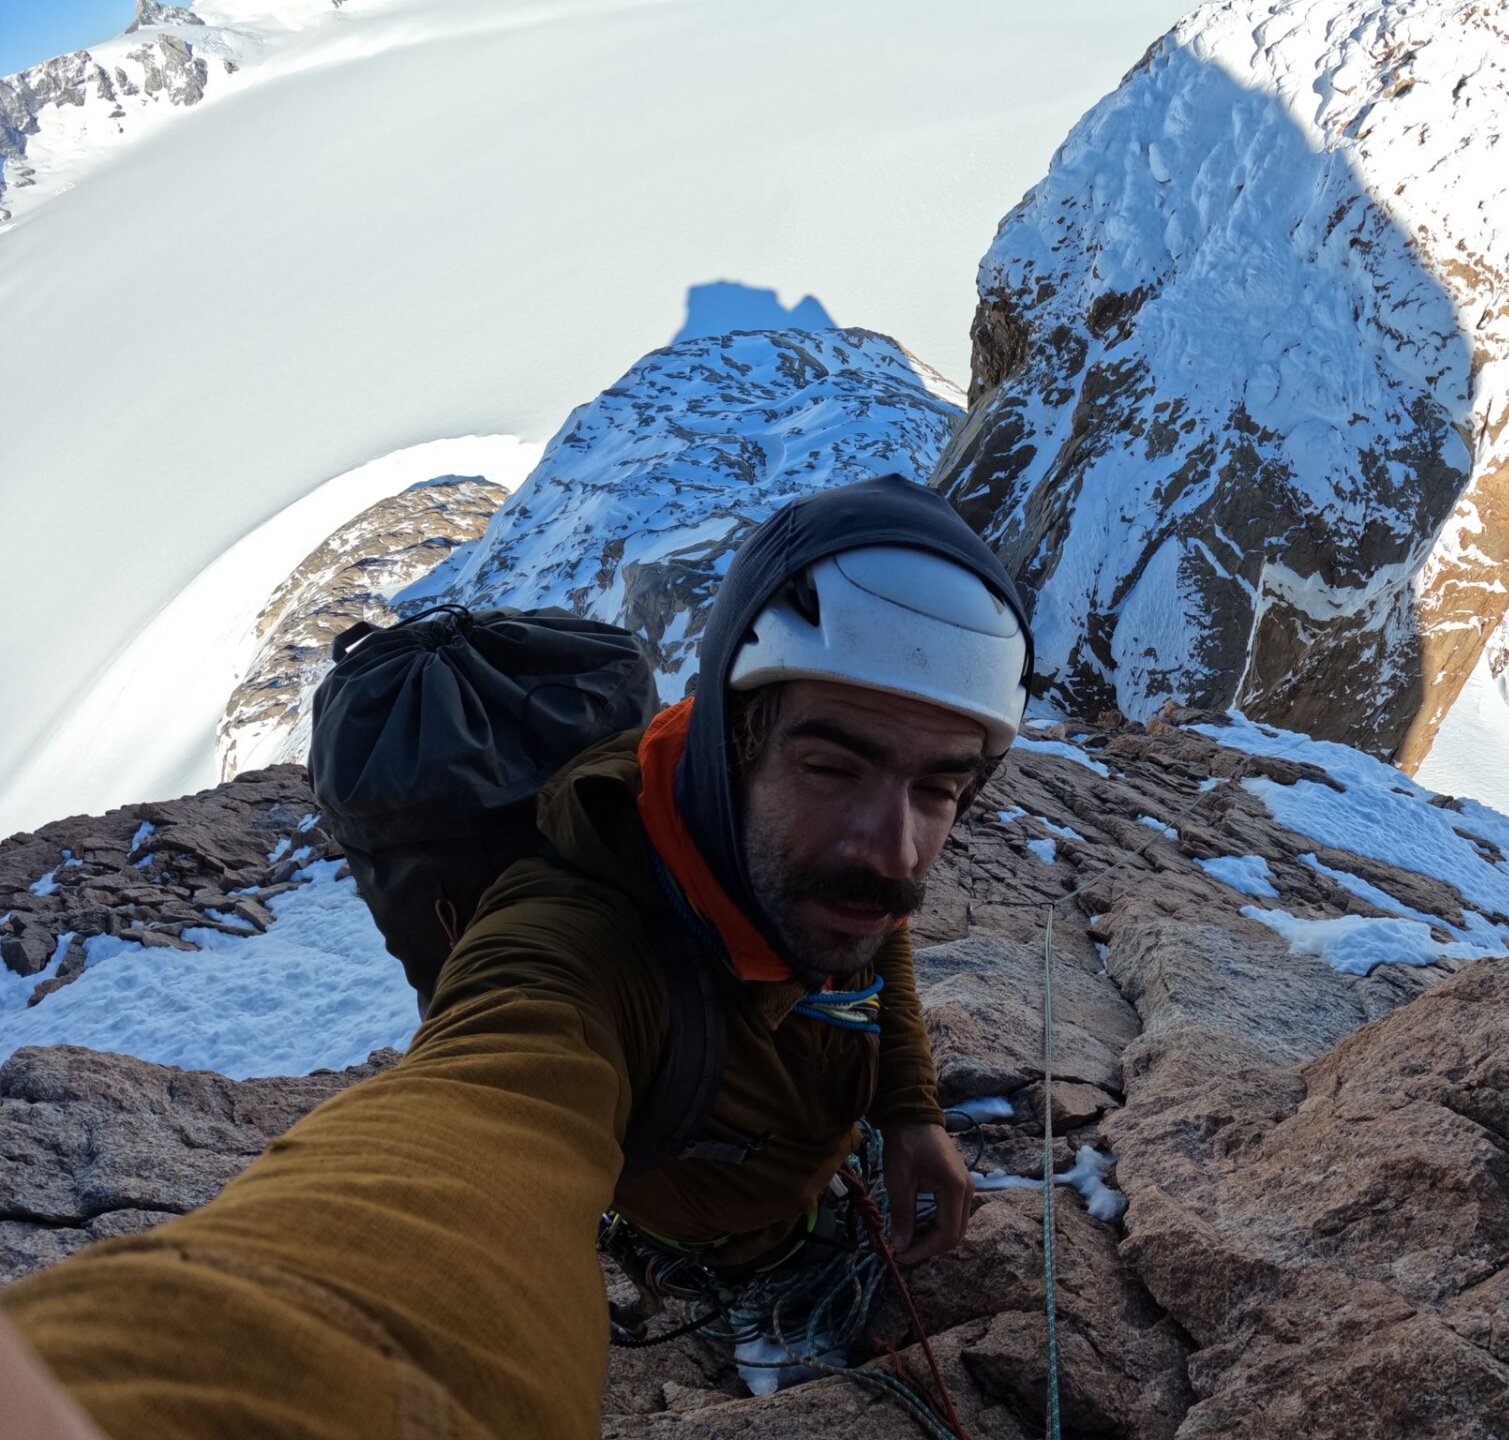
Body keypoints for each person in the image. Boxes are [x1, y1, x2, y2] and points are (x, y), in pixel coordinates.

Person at [0, 474, 1033, 1440]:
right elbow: (479, 1129)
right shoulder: (570, 940)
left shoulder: (808, 863)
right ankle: (758, 1295)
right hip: (712, 1209)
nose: (892, 848)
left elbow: (869, 929)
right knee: (752, 1249)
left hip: (807, 1145)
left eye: (938, 786)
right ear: (733, 740)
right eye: (830, 764)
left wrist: (908, 1112)